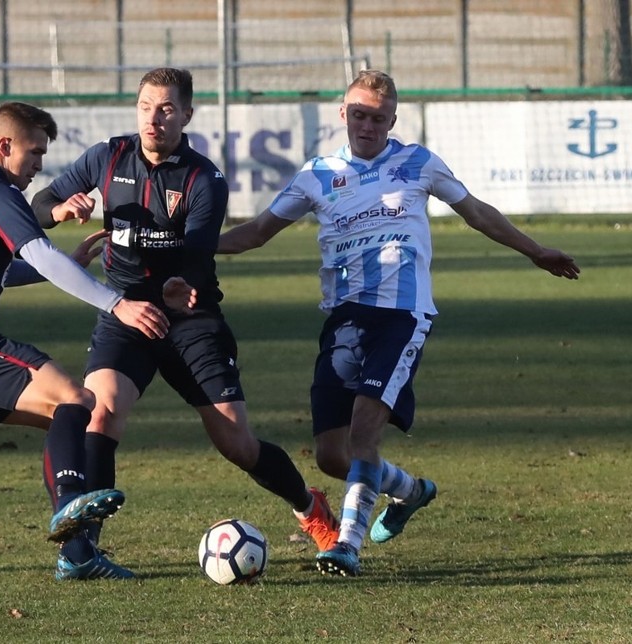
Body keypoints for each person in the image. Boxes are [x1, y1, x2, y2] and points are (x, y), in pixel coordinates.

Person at [217, 70, 581, 577]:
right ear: (343, 113)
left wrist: (536, 250)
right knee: (330, 456)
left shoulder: (417, 163)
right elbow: (254, 233)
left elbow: (476, 212)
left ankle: (346, 545)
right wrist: (181, 246)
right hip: (344, 321)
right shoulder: (316, 175)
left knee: (365, 435)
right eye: (360, 115)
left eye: (379, 118)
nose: (368, 126)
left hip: (401, 316)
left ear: (393, 120)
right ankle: (409, 491)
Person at [31, 67, 339, 578]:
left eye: (167, 108)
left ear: (187, 115)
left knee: (237, 444)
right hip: (125, 312)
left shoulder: (203, 177)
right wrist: (62, 208)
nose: (155, 118)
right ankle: (83, 549)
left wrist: (178, 283)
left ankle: (310, 507)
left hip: (190, 317)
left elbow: (198, 250)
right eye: (147, 106)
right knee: (99, 412)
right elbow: (39, 204)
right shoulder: (107, 156)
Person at [0, 101, 181, 581]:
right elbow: (40, 254)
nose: (38, 166)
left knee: (70, 420)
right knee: (76, 399)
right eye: (34, 153)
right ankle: (71, 510)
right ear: (4, 145)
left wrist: (67, 263)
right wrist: (116, 303)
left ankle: (76, 558)